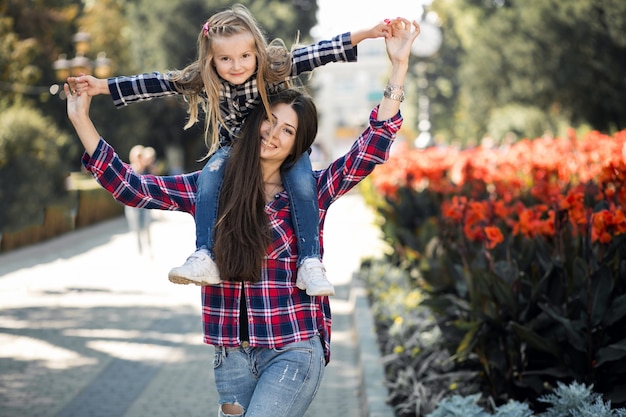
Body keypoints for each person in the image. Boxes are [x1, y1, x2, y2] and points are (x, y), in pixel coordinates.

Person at [65, 16, 419, 417]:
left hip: (294, 346)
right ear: (253, 122)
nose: (274, 134)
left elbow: (370, 148)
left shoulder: (311, 192)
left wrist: (399, 67)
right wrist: (82, 119)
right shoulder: (211, 188)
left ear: (296, 144)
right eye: (270, 121)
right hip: (230, 354)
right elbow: (132, 187)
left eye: (288, 131)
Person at [69, 4, 392, 297]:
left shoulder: (272, 68)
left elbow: (319, 52)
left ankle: (310, 261)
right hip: (231, 150)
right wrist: (103, 86)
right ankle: (204, 254)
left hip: (285, 162)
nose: (236, 66)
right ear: (212, 59)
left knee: (303, 185)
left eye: (244, 57)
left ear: (257, 53)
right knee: (210, 178)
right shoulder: (203, 78)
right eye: (225, 59)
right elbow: (158, 82)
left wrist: (367, 34)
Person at [124, 145, 155, 256]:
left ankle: (149, 248)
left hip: (145, 203)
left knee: (146, 226)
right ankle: (139, 251)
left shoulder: (147, 170)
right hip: (133, 205)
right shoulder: (130, 170)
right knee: (136, 228)